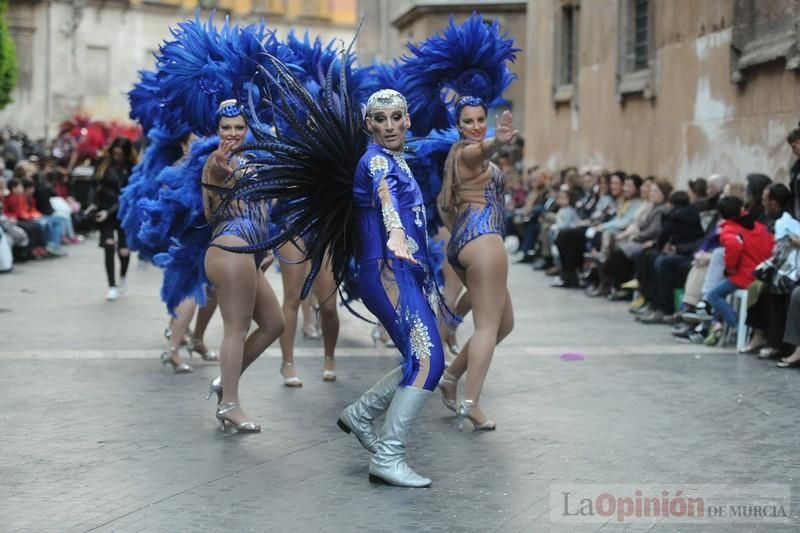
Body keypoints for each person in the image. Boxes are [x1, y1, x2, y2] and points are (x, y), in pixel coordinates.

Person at [336, 90, 447, 488]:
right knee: (429, 363)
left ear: (408, 119)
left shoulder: (398, 158)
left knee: (421, 359)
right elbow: (387, 198)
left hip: (401, 273)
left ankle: (363, 413)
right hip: (388, 273)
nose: (388, 126)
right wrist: (396, 233)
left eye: (395, 117)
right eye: (379, 119)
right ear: (369, 125)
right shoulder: (378, 160)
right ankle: (388, 455)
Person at [202, 99, 285, 432]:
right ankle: (230, 405)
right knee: (236, 328)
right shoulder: (217, 161)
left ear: (249, 128)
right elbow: (219, 171)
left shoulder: (254, 159)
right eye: (226, 128)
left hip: (248, 252)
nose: (233, 134)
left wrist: (264, 249)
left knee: (274, 324)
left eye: (239, 127)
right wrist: (221, 163)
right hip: (231, 248)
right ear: (217, 130)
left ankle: (226, 382)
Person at [436, 96, 517, 431]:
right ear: (458, 125)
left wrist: (461, 238)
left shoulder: (453, 159)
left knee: (504, 323)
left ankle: (452, 377)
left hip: (469, 241)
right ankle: (471, 403)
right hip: (483, 242)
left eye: (480, 119)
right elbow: (482, 152)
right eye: (468, 121)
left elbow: (444, 208)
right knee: (487, 326)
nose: (475, 126)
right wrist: (497, 141)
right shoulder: (467, 153)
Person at [87, 138, 137, 300]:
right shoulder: (103, 164)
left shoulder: (131, 169)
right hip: (103, 210)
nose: (117, 157)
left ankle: (122, 276)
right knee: (109, 245)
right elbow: (93, 186)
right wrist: (92, 204)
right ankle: (112, 285)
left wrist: (108, 212)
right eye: (115, 153)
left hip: (122, 212)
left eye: (120, 154)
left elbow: (126, 196)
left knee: (123, 250)